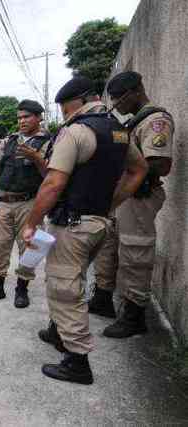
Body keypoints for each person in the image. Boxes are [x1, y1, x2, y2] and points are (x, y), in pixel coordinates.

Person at [22, 77, 148, 385]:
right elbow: (139, 169)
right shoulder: (118, 130)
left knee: (65, 288)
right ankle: (57, 331)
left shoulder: (77, 130)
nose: (65, 115)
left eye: (65, 109)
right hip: (99, 224)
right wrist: (110, 204)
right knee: (67, 276)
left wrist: (31, 223)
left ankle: (76, 362)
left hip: (73, 225)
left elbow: (53, 183)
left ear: (76, 103)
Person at [90, 71, 174, 338]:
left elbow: (160, 163)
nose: (116, 105)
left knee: (135, 254)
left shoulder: (156, 121)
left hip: (139, 198)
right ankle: (103, 297)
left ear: (136, 91)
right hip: (123, 196)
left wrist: (128, 168)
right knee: (108, 246)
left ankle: (135, 314)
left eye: (118, 99)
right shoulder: (133, 122)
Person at [0, 100, 51, 308]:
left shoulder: (47, 142)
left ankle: (22, 289)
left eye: (27, 117)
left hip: (29, 203)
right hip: (4, 202)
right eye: (19, 117)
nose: (22, 121)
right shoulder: (9, 141)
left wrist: (36, 157)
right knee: (0, 245)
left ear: (39, 117)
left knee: (28, 247)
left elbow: (50, 175)